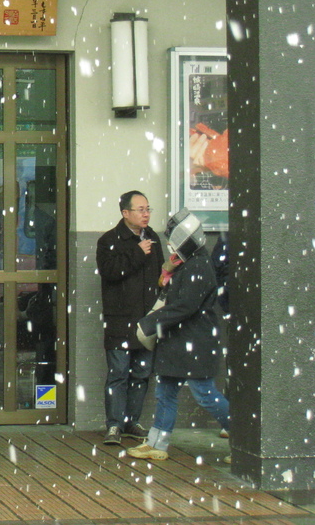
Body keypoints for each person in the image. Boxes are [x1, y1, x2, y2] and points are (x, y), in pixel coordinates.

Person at [129, 208, 230, 461]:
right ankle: (156, 444)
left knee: (205, 395)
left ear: (187, 241)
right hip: (182, 342)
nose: (172, 248)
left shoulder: (198, 266)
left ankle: (245, 440)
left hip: (193, 342)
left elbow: (185, 306)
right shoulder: (191, 262)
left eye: (175, 242)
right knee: (166, 393)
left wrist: (150, 322)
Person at [95, 189, 164, 446]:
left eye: (148, 209)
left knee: (142, 373)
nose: (146, 214)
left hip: (147, 319)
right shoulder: (108, 241)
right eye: (141, 210)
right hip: (120, 319)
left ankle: (131, 421)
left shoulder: (152, 238)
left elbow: (160, 275)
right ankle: (113, 424)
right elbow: (110, 272)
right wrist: (137, 252)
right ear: (126, 213)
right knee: (119, 373)